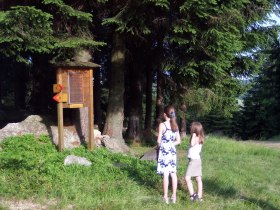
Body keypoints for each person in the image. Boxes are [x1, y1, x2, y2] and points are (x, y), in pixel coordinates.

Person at [157, 105, 181, 204]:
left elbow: (158, 141)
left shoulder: (162, 125)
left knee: (166, 174)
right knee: (173, 174)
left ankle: (165, 197)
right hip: (172, 151)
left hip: (164, 151)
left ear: (164, 114)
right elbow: (178, 141)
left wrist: (162, 145)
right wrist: (171, 144)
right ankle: (174, 197)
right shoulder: (175, 125)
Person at [185, 122, 205, 202]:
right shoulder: (200, 137)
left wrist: (193, 135)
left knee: (187, 178)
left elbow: (192, 143)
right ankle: (199, 196)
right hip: (197, 160)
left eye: (191, 127)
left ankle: (193, 195)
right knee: (198, 178)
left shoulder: (196, 137)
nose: (190, 128)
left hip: (194, 161)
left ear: (195, 129)